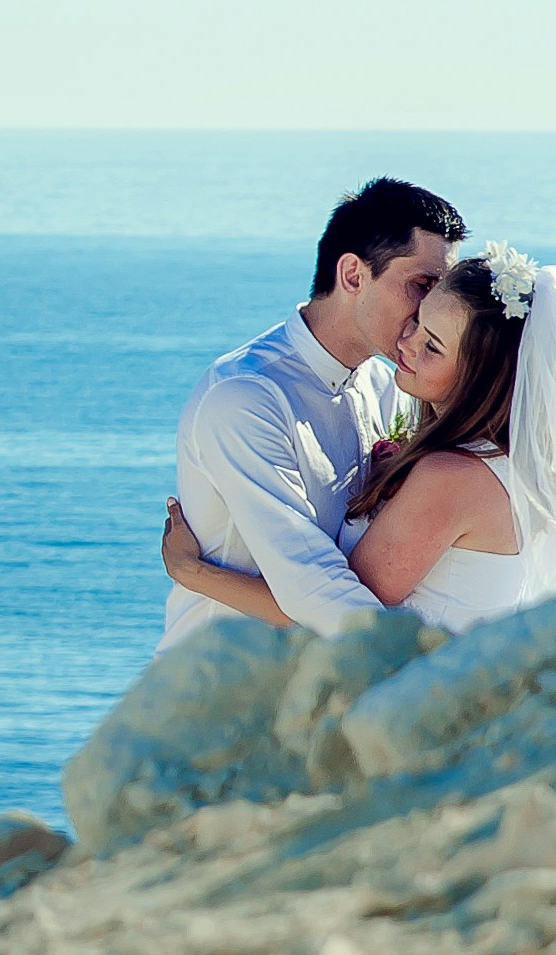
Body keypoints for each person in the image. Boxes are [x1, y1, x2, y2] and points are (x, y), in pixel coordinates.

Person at [160, 240, 556, 637]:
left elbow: (342, 621)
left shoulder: (453, 477)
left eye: (432, 346)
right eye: (418, 322)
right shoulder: (495, 461)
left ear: (481, 374)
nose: (407, 343)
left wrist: (192, 572)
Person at [156, 179, 464, 650]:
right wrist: (429, 668)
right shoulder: (245, 398)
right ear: (353, 275)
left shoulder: (388, 388)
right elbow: (308, 583)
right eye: (421, 286)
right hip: (223, 683)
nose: (432, 311)